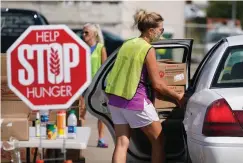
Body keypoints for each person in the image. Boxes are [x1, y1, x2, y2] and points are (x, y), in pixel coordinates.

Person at [105, 9, 184, 163]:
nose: (162, 32)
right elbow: (158, 84)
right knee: (159, 140)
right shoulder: (147, 49)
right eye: (161, 29)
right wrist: (178, 96)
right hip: (135, 100)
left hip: (115, 99)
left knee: (122, 142)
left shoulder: (127, 44)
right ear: (151, 30)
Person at [79, 23, 108, 148]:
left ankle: (100, 139)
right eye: (83, 32)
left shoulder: (101, 48)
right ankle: (79, 139)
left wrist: (104, 87)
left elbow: (105, 68)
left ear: (94, 34)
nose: (83, 34)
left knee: (101, 114)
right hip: (82, 86)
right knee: (81, 113)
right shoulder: (80, 47)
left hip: (96, 86)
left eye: (86, 32)